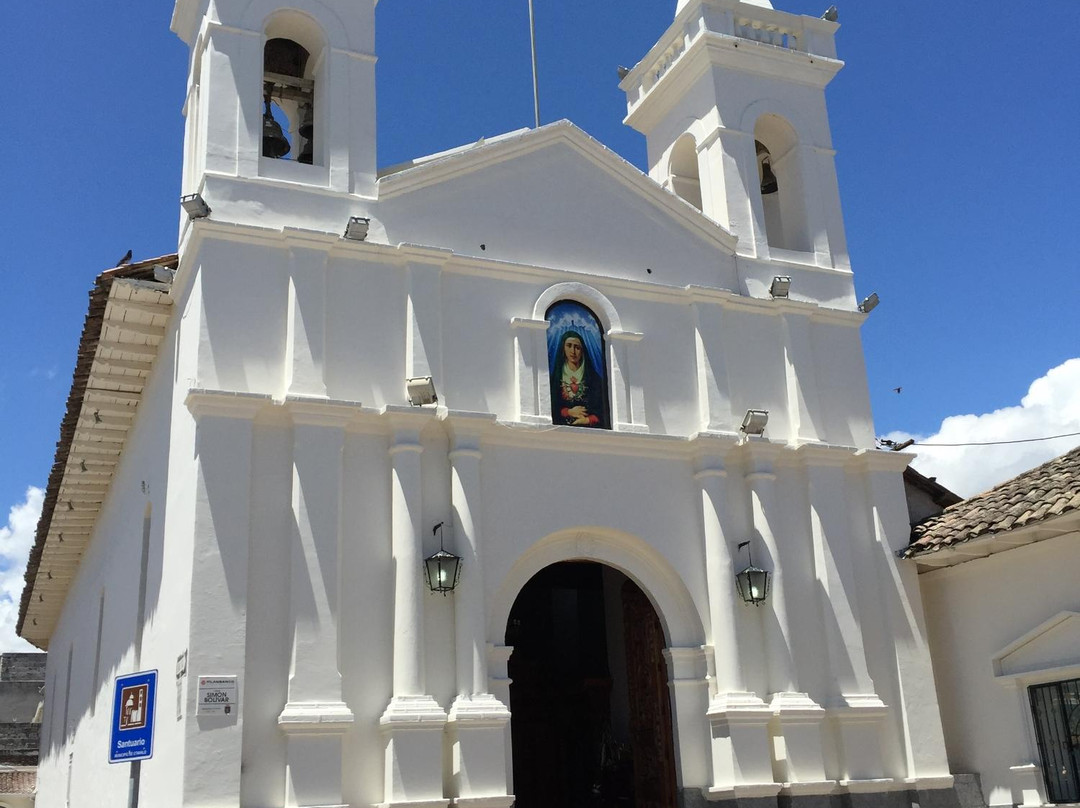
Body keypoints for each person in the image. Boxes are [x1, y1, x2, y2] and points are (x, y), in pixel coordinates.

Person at [550, 330, 608, 428]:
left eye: (577, 347)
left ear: (582, 350)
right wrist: (568, 412)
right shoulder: (555, 378)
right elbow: (552, 406)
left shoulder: (594, 379)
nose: (573, 351)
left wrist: (587, 419)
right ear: (563, 348)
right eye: (569, 346)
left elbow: (602, 410)